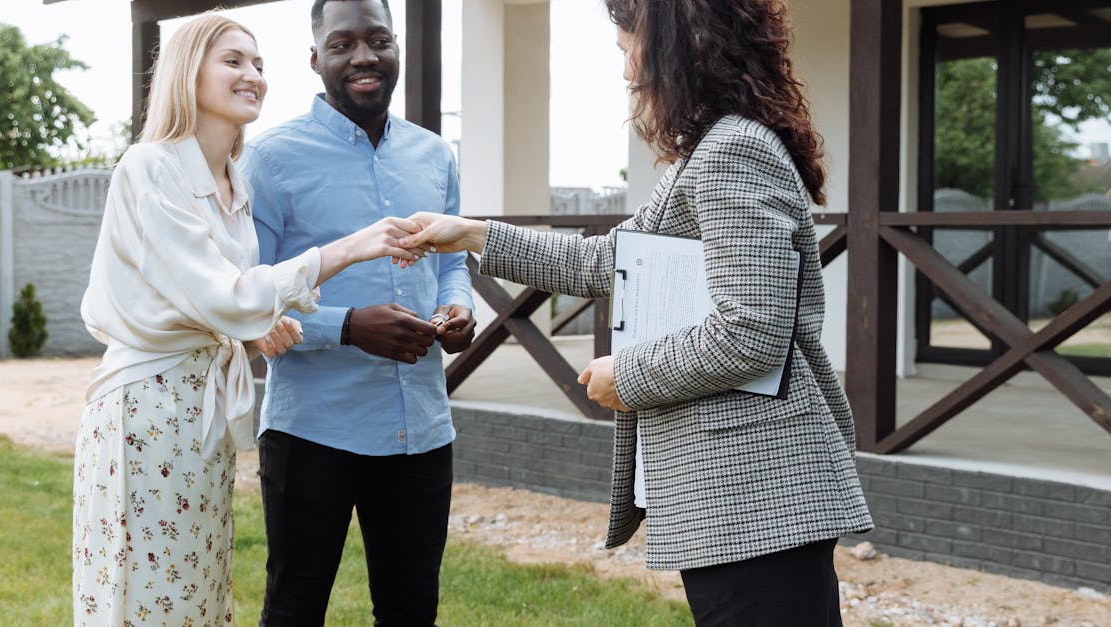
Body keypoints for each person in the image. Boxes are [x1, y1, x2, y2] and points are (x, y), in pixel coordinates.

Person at [401, 0, 873, 624]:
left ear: (679, 44)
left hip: (755, 493)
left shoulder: (732, 152)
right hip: (738, 500)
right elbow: (606, 261)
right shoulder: (712, 151)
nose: (627, 70)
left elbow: (750, 330)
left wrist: (626, 376)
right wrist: (472, 234)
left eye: (630, 47)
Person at [72, 13, 426, 625]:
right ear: (188, 72)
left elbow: (222, 301)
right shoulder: (148, 167)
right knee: (141, 595)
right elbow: (226, 295)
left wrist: (259, 325)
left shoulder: (233, 182)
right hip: (147, 409)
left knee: (196, 595)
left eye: (259, 64)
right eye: (233, 61)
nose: (253, 75)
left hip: (204, 413)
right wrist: (348, 249)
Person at [239, 1, 475, 624]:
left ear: (396, 47)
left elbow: (451, 263)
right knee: (294, 608)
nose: (363, 56)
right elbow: (250, 297)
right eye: (343, 44)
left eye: (378, 40)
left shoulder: (434, 155)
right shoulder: (269, 159)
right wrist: (347, 327)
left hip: (421, 429)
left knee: (411, 610)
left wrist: (457, 306)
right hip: (312, 430)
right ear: (315, 58)